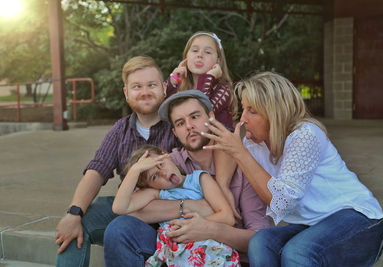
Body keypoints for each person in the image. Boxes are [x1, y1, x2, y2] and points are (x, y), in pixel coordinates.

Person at [201, 71, 383, 266]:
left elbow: (283, 201)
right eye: (243, 109)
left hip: (361, 222)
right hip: (314, 225)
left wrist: (240, 153)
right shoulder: (254, 146)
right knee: (260, 242)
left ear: (275, 112)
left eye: (252, 111)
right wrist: (223, 184)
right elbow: (229, 164)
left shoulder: (305, 135)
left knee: (297, 252)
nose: (243, 118)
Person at [103, 90, 269, 267]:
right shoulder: (167, 164)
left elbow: (259, 238)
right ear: (175, 132)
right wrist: (187, 207)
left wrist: (209, 228)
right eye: (181, 123)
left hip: (223, 257)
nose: (189, 126)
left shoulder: (241, 166)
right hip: (176, 252)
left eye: (195, 117)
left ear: (211, 117)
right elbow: (130, 210)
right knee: (119, 228)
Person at [54, 56, 183, 267]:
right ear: (126, 93)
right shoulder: (120, 130)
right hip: (130, 209)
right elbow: (96, 171)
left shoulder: (177, 125)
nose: (145, 92)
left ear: (164, 87)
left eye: (152, 85)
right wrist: (74, 211)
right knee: (74, 221)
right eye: (137, 86)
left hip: (169, 218)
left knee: (121, 226)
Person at [113, 144, 240, 266]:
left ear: (166, 155)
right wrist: (135, 170)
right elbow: (120, 207)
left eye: (161, 164)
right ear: (150, 186)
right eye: (154, 177)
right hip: (180, 258)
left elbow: (227, 217)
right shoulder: (158, 193)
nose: (163, 173)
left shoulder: (199, 179)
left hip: (212, 252)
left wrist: (192, 226)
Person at [167, 31, 239, 219]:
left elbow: (203, 106)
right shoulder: (181, 87)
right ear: (185, 58)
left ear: (218, 61)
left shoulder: (223, 89)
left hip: (221, 160)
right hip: (193, 157)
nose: (200, 55)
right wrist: (174, 79)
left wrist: (209, 78)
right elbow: (166, 107)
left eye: (208, 52)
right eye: (195, 51)